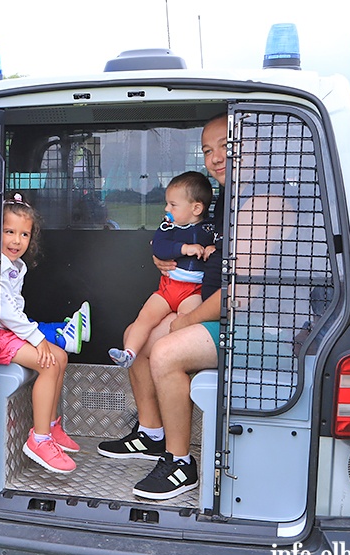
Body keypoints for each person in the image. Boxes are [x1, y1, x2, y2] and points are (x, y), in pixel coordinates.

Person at [97, 114, 229, 500]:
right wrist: (167, 257)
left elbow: (242, 294)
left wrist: (187, 319)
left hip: (243, 321)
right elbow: (182, 240)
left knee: (167, 351)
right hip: (207, 303)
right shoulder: (223, 202)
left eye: (225, 145)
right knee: (137, 338)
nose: (216, 157)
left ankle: (179, 462)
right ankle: (152, 433)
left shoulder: (261, 203)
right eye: (207, 150)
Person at [0, 195, 90, 474]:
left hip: (7, 332)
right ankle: (38, 439)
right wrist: (36, 338)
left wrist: (33, 336)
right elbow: (4, 311)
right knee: (48, 362)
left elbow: (15, 310)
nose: (17, 241)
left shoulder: (17, 266)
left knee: (60, 356)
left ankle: (50, 426)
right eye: (9, 232)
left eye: (24, 234)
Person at [109, 171, 217, 369]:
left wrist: (213, 248)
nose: (167, 208)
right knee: (145, 317)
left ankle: (176, 361)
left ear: (196, 208)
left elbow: (223, 244)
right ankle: (129, 353)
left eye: (173, 205)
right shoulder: (169, 227)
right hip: (169, 287)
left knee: (183, 323)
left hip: (193, 291)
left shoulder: (210, 228)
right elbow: (159, 247)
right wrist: (183, 248)